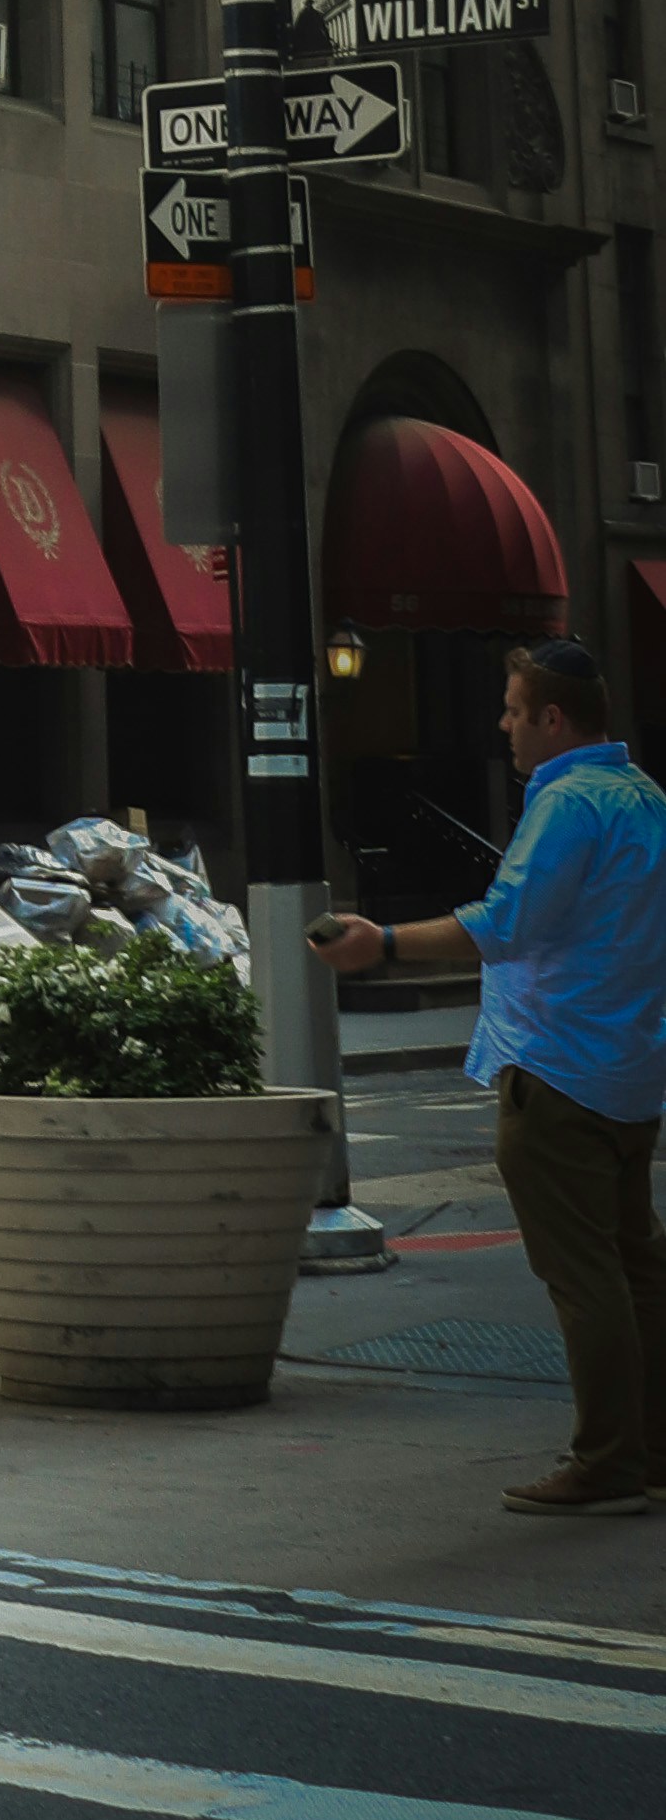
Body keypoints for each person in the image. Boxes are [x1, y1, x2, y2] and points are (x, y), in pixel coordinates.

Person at [310, 632, 666, 1515]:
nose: (502, 726)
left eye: (512, 710)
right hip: (629, 1065)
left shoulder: (569, 804)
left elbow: (505, 923)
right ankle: (650, 1448)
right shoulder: (646, 796)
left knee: (585, 1277)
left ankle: (608, 1461)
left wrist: (382, 942)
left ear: (552, 717)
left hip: (556, 1067)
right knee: (635, 1267)